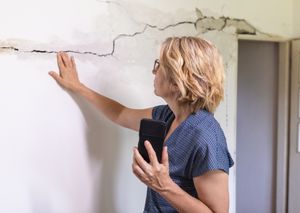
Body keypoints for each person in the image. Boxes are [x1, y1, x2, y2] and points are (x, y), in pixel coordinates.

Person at [49, 36, 234, 213]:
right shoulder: (166, 115)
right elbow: (121, 114)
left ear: (178, 81)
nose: (154, 71)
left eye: (159, 66)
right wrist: (77, 86)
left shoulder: (206, 136)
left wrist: (164, 186)